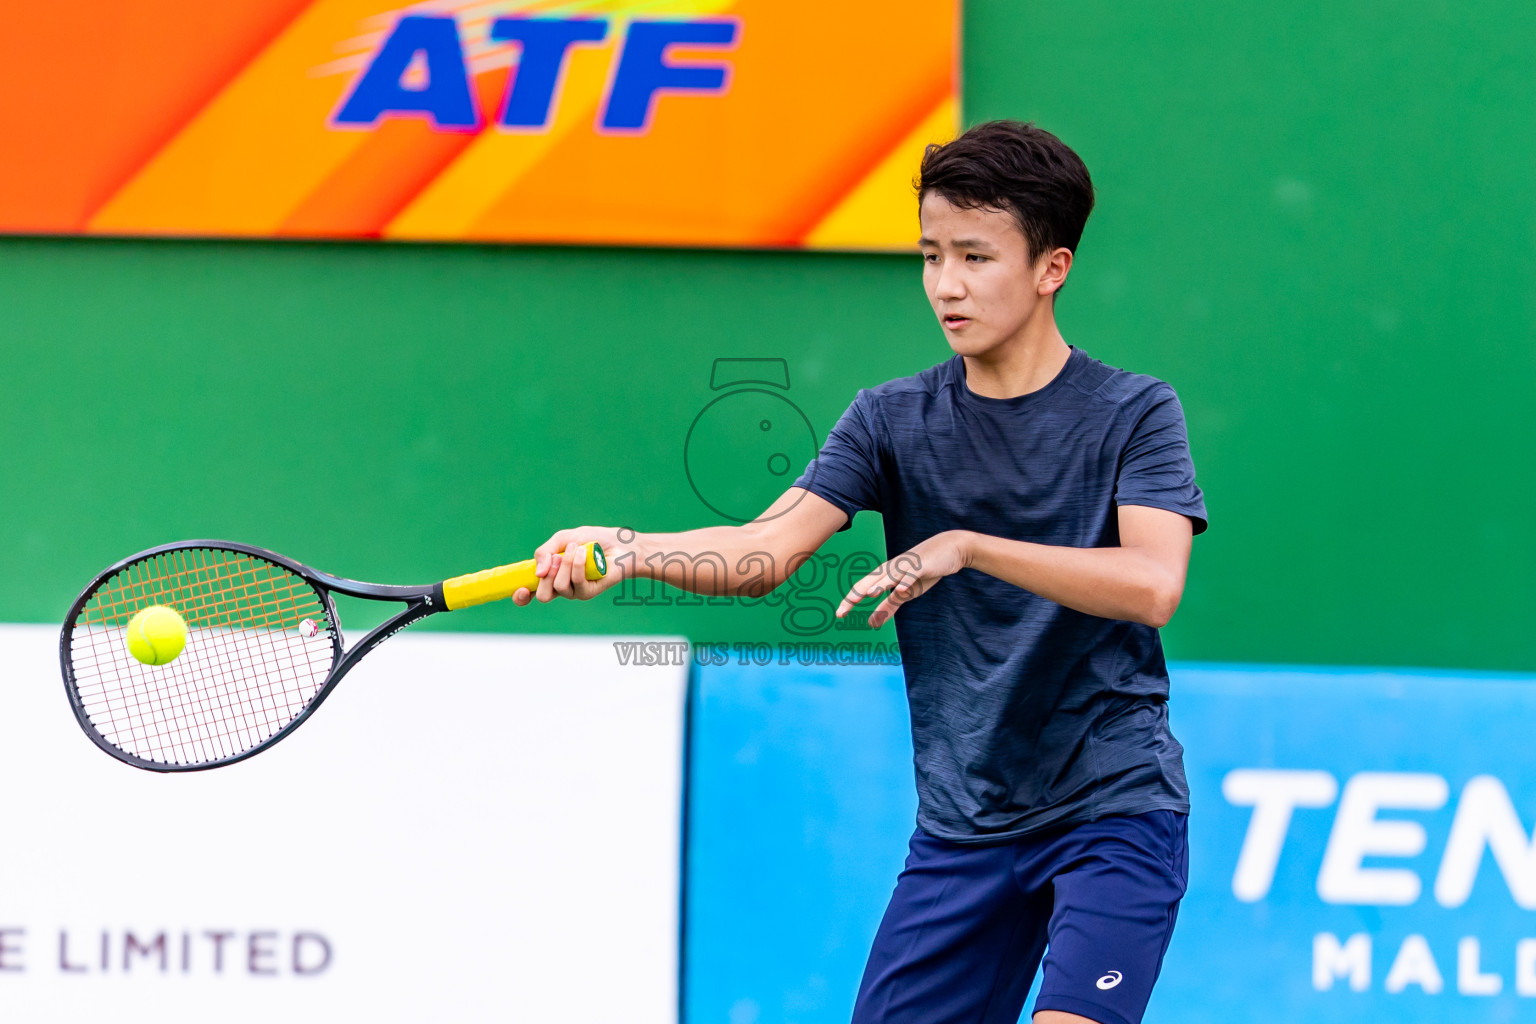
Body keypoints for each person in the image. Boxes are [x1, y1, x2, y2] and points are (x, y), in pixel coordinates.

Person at [516, 120, 1207, 1024]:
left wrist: (970, 545)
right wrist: (626, 549)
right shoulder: (890, 418)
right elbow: (765, 554)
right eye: (930, 256)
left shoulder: (1134, 410)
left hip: (1112, 807)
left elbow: (1154, 585)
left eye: (975, 257)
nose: (946, 286)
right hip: (964, 829)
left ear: (1052, 269)